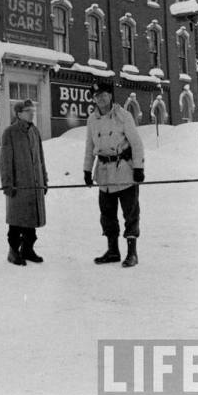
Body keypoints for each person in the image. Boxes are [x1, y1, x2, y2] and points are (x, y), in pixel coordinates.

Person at [83, 80, 145, 268]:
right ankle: (113, 251)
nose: (100, 99)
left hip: (124, 171)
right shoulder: (92, 120)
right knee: (107, 214)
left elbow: (136, 143)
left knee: (130, 213)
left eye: (103, 95)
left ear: (110, 96)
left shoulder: (123, 116)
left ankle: (132, 253)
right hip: (103, 173)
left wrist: (138, 168)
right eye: (96, 96)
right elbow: (89, 147)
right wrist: (87, 170)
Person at [0, 99, 48, 266]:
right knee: (17, 221)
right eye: (28, 110)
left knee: (31, 220)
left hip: (35, 184)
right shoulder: (10, 133)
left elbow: (41, 158)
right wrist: (7, 184)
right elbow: (5, 161)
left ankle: (28, 249)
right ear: (19, 114)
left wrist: (44, 180)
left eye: (32, 110)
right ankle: (13, 252)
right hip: (18, 186)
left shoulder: (34, 131)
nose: (32, 113)